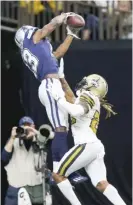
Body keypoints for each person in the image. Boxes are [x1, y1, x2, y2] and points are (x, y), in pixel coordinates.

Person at [14, 12, 87, 184]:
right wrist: (63, 17)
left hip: (52, 85)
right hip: (49, 86)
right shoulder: (33, 40)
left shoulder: (37, 48)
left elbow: (58, 53)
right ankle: (60, 171)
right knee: (60, 129)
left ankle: (63, 170)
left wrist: (70, 35)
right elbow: (49, 27)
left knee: (62, 130)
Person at [47, 74, 127, 205]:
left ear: (92, 86)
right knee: (101, 184)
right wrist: (60, 76)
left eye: (85, 82)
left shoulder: (88, 96)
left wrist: (58, 99)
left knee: (57, 175)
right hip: (94, 146)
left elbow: (77, 111)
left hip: (86, 144)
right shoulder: (89, 98)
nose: (82, 83)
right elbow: (71, 96)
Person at [1, 116, 50, 205]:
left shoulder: (41, 140)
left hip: (36, 189)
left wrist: (35, 133)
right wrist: (12, 137)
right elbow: (4, 157)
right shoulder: (13, 141)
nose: (26, 130)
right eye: (24, 127)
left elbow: (52, 136)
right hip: (16, 188)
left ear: (34, 127)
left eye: (29, 126)